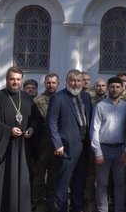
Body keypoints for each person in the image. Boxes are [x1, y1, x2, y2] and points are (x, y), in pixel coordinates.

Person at [0, 66, 42, 212]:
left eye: (18, 79)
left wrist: (32, 128)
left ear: (21, 80)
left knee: (23, 182)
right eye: (12, 79)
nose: (15, 82)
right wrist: (8, 130)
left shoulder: (27, 98)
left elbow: (36, 118)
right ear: (6, 80)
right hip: (5, 149)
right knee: (1, 183)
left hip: (23, 148)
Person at [48, 69, 93, 212]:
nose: (75, 83)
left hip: (83, 148)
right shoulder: (58, 98)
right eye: (72, 80)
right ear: (67, 81)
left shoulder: (86, 97)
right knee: (63, 185)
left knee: (79, 183)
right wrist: (57, 144)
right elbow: (51, 123)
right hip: (65, 149)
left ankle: (76, 209)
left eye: (78, 81)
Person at [91, 77, 126, 212]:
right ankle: (102, 210)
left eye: (117, 87)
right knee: (102, 184)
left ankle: (119, 209)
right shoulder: (100, 106)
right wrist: (97, 152)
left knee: (120, 183)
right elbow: (94, 130)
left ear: (122, 88)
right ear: (108, 88)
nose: (115, 89)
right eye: (112, 87)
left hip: (120, 150)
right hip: (104, 150)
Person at [32, 72, 59, 210]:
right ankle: (37, 204)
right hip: (42, 145)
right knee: (39, 177)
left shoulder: (62, 99)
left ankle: (51, 203)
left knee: (54, 177)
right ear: (45, 84)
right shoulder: (37, 100)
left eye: (53, 82)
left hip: (56, 146)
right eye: (48, 82)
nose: (51, 85)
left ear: (58, 84)